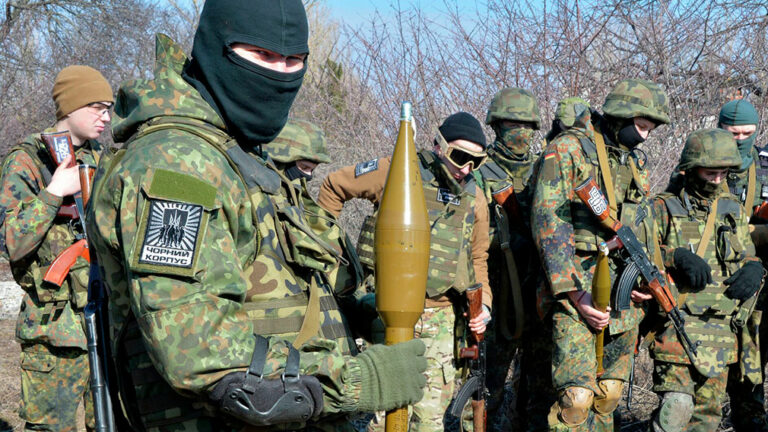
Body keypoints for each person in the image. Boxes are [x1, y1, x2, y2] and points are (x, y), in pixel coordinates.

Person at [85, 1, 427, 430]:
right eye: (262, 55)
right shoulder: (177, 165)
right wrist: (356, 381)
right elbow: (202, 351)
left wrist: (356, 316)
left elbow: (270, 285)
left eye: (294, 60)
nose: (280, 74)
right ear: (216, 48)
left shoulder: (239, 152)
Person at [317, 112, 492, 432]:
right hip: (389, 312)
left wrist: (484, 308)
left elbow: (478, 257)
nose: (466, 168)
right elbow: (334, 186)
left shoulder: (474, 197)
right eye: (460, 157)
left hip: (442, 318)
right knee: (385, 418)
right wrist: (328, 257)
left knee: (429, 422)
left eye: (476, 162)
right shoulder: (398, 170)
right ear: (440, 146)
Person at [532, 79, 670, 431]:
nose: (645, 138)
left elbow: (643, 228)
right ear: (621, 116)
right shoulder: (568, 149)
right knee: (576, 400)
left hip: (622, 299)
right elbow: (548, 224)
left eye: (651, 130)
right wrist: (575, 294)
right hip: (576, 293)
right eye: (642, 127)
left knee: (608, 395)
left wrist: (643, 284)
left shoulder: (634, 162)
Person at [0, 65, 113, 431]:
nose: (106, 117)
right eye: (97, 107)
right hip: (54, 331)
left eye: (109, 108)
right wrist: (53, 194)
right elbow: (11, 242)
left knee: (112, 423)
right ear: (71, 106)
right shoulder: (27, 159)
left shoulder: (103, 159)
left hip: (106, 320)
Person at [649, 128, 764, 432]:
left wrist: (755, 269)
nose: (716, 180)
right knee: (676, 410)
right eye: (710, 173)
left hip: (721, 332)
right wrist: (675, 256)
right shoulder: (663, 207)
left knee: (706, 419)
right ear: (691, 169)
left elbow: (747, 255)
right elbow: (641, 257)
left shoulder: (732, 210)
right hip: (677, 324)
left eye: (722, 173)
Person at [476, 87, 555, 431]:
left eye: (527, 126)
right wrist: (505, 240)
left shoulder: (544, 169)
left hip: (538, 294)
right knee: (487, 387)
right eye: (512, 124)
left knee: (540, 389)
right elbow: (468, 233)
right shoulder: (480, 171)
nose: (520, 132)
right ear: (496, 126)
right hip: (497, 295)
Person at [716, 99, 768, 432]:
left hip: (761, 286)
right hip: (713, 283)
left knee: (752, 374)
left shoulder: (764, 166)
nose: (739, 140)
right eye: (732, 133)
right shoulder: (698, 164)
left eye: (747, 133)